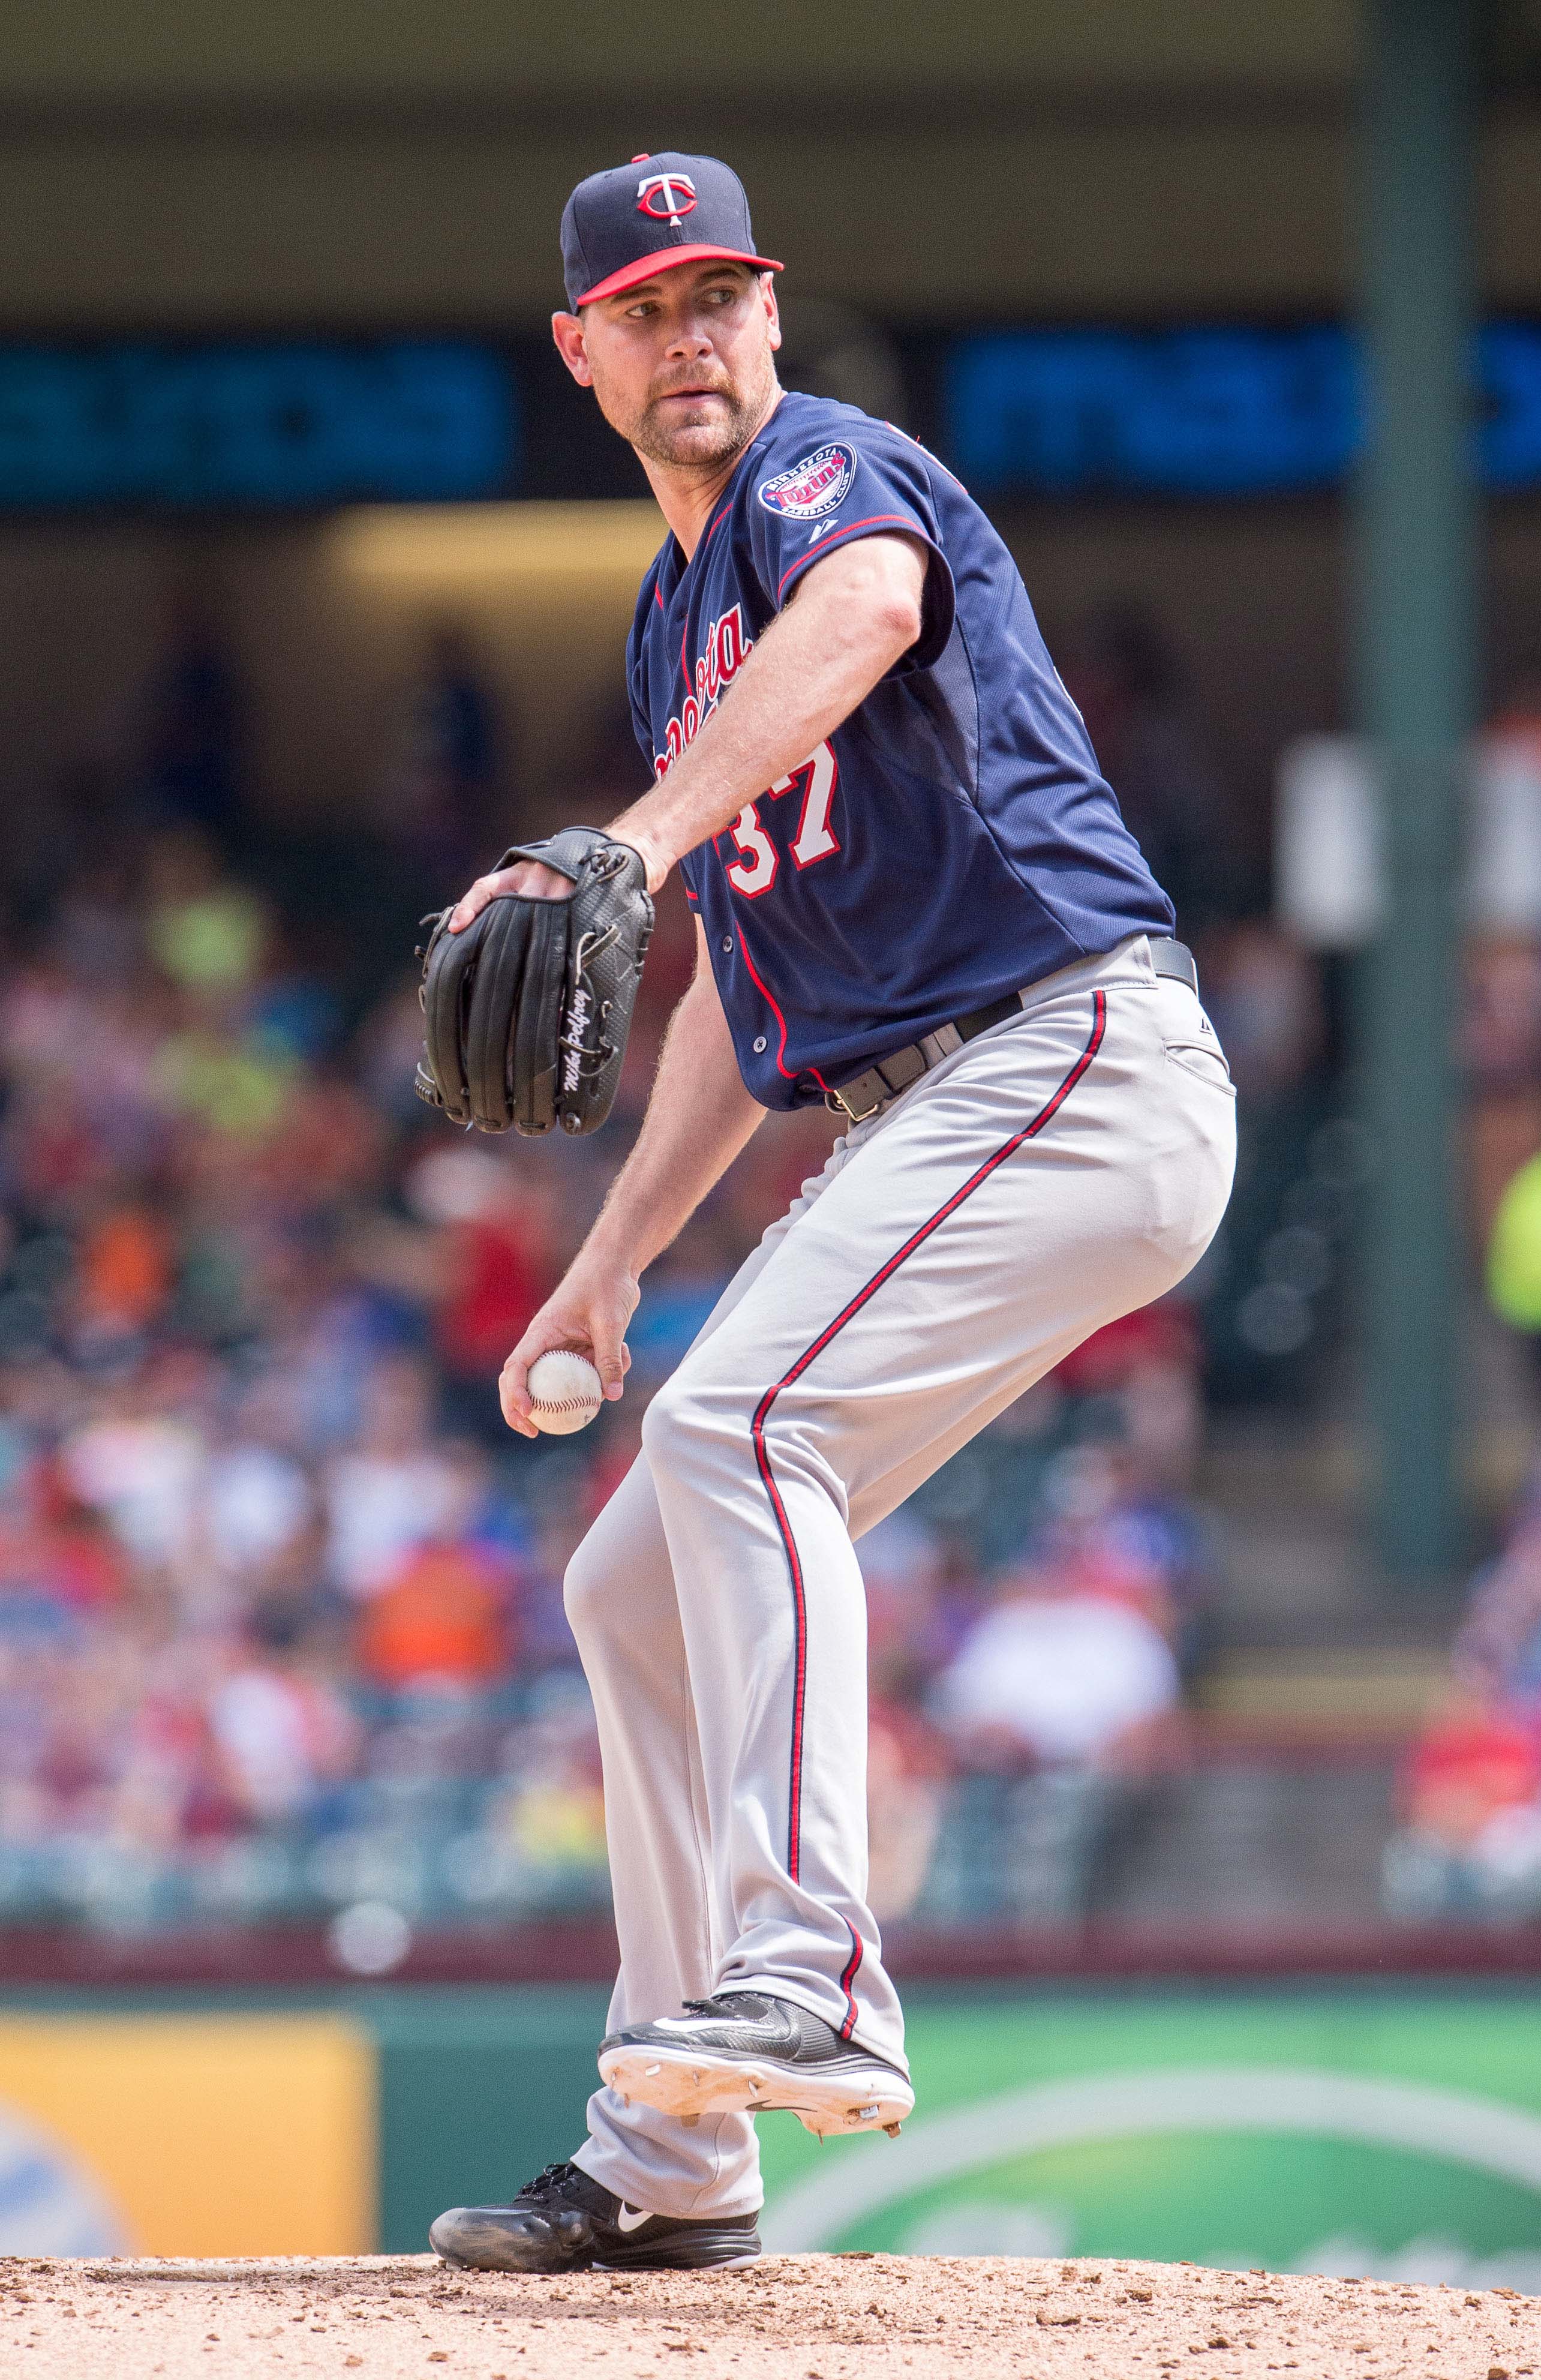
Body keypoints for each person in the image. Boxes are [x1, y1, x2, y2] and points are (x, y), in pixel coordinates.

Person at [428, 151, 1236, 2276]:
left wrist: (631, 837)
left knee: (743, 1437)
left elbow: (871, 613)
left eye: (723, 298)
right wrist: (601, 1273)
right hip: (934, 1103)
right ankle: (673, 2155)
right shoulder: (678, 620)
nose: (692, 340)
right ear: (579, 351)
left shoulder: (826, 475)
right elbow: (729, 1008)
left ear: (768, 322)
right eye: (649, 307)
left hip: (1067, 1050)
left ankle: (813, 1967)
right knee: (631, 1577)